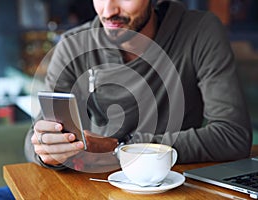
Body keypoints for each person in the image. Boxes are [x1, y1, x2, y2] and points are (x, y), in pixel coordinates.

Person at [25, 0, 252, 172]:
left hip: (173, 180)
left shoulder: (199, 31)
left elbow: (232, 135)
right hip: (99, 180)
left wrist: (121, 146)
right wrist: (48, 149)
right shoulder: (73, 46)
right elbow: (34, 139)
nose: (109, 10)